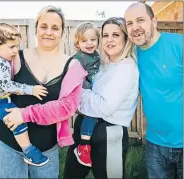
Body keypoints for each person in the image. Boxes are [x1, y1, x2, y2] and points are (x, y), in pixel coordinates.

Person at [0, 6, 87, 178]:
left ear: (63, 32)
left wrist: (24, 115)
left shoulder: (72, 66)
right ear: (36, 29)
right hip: (6, 144)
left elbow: (67, 108)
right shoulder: (14, 56)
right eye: (44, 26)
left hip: (46, 150)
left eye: (55, 28)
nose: (48, 32)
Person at [64, 17, 139, 179]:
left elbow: (104, 107)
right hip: (85, 127)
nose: (109, 40)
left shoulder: (126, 68)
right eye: (105, 35)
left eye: (116, 35)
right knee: (71, 175)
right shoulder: (104, 64)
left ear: (126, 38)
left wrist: (76, 94)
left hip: (109, 133)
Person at [124, 2, 183, 179]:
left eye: (140, 20)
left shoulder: (179, 45)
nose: (135, 27)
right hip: (155, 144)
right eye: (130, 23)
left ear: (154, 22)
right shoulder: (131, 55)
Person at [0, 23, 49, 167]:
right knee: (17, 121)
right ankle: (29, 151)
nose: (15, 51)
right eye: (11, 47)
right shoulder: (0, 63)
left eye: (17, 46)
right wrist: (31, 90)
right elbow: (8, 86)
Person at [71, 22, 100, 167]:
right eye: (84, 40)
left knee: (94, 117)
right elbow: (73, 78)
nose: (89, 43)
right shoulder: (79, 58)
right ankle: (83, 146)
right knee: (91, 115)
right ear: (77, 44)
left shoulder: (97, 56)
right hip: (84, 93)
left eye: (93, 39)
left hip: (95, 92)